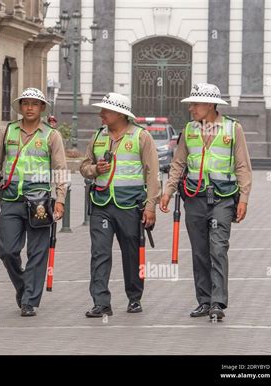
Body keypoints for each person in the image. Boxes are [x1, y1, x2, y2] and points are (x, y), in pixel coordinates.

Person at [159, 83, 252, 321]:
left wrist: (244, 198)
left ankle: (218, 303)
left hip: (222, 199)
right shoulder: (189, 130)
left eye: (196, 103)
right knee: (200, 251)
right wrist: (168, 191)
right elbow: (178, 163)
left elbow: (242, 165)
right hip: (194, 198)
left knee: (218, 248)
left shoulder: (233, 128)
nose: (191, 108)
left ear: (210, 104)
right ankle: (204, 301)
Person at [0, 88, 67, 317]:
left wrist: (60, 199)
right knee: (7, 250)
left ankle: (29, 301)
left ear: (42, 108)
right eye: (26, 103)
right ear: (21, 107)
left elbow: (60, 169)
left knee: (37, 251)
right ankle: (23, 285)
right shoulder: (8, 132)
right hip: (12, 199)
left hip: (40, 202)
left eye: (35, 104)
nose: (30, 108)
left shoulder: (51, 135)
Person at [80, 93, 160, 317]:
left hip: (130, 206)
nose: (101, 114)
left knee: (131, 253)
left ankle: (134, 298)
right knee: (99, 253)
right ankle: (101, 302)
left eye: (105, 110)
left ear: (120, 114)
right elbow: (85, 165)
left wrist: (150, 206)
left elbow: (152, 173)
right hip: (101, 204)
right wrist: (95, 170)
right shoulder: (97, 137)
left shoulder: (141, 137)